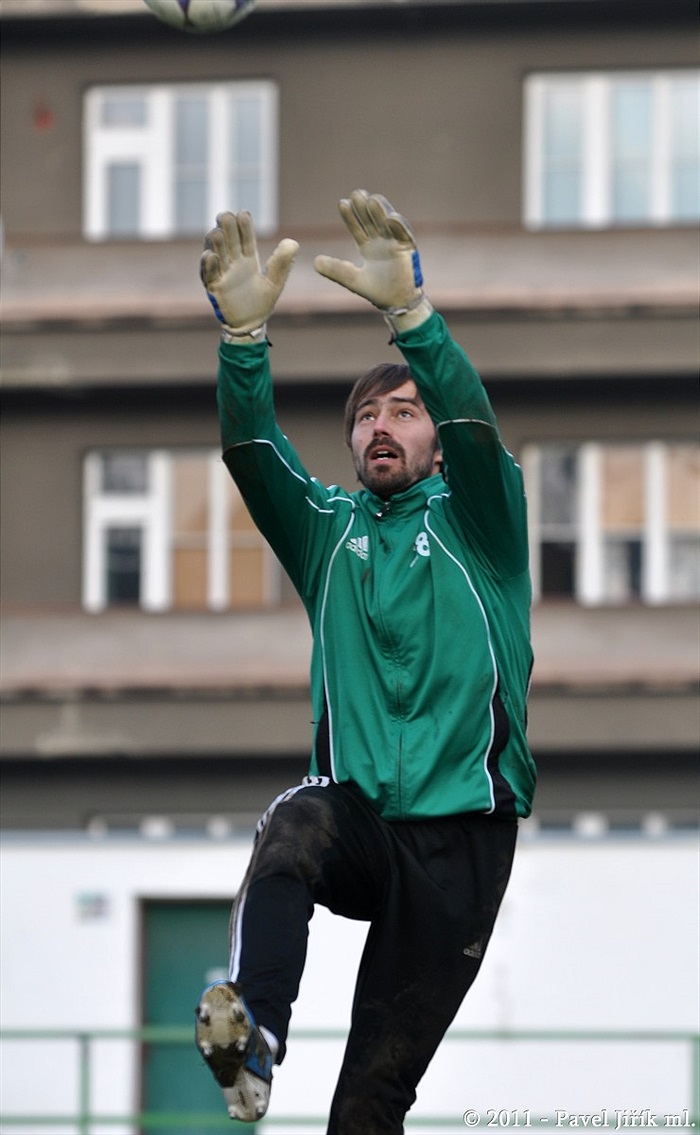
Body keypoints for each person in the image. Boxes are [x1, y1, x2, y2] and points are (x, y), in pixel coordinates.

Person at [194, 190, 536, 1134]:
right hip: (363, 823)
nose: (382, 424)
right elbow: (250, 446)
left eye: (404, 411)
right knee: (293, 822)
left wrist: (415, 322)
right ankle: (254, 1036)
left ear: (434, 443)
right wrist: (243, 341)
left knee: (368, 1105)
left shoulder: (485, 522)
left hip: (463, 844)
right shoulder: (328, 534)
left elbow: (472, 418)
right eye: (366, 415)